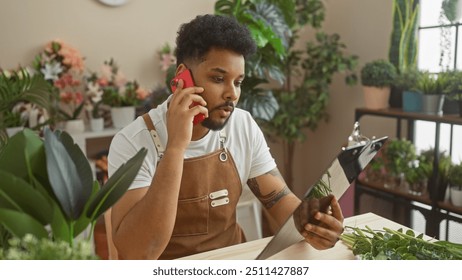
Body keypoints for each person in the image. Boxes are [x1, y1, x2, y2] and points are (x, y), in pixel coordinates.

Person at [107, 14, 344, 260]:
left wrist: (314, 225)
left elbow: (281, 204)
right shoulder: (133, 141)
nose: (232, 94)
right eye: (218, 79)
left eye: (238, 82)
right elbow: (136, 254)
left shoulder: (242, 126)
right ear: (181, 78)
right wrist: (176, 146)